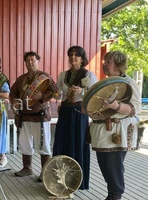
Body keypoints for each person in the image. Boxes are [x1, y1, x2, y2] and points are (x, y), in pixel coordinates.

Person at [89, 51, 141, 200]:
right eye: (104, 61)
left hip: (117, 132)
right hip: (102, 132)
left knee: (113, 168)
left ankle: (115, 196)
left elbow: (135, 108)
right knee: (105, 167)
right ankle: (112, 194)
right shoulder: (105, 83)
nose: (104, 65)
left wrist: (116, 106)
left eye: (108, 62)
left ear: (118, 64)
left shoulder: (128, 83)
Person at [9, 51, 61, 180]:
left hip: (40, 115)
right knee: (24, 143)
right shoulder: (21, 79)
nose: (30, 62)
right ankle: (27, 168)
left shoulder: (45, 77)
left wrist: (42, 96)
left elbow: (56, 92)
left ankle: (45, 172)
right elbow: (12, 93)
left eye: (33, 60)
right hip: (24, 115)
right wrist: (15, 101)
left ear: (38, 60)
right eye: (28, 60)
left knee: (43, 145)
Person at [52, 46, 97, 189]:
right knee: (62, 142)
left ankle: (78, 182)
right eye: (70, 55)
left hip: (79, 113)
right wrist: (54, 94)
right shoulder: (62, 75)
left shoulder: (89, 75)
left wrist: (82, 90)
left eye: (76, 55)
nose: (73, 57)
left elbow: (95, 94)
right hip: (65, 112)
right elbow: (58, 93)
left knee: (78, 143)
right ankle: (60, 181)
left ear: (82, 59)